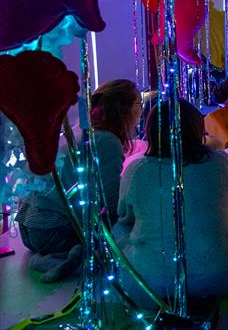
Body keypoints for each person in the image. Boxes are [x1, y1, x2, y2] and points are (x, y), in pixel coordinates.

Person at [114, 99, 228, 308]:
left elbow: (124, 215)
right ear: (197, 128)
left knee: (119, 228)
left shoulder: (137, 170)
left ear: (151, 131)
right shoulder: (221, 162)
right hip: (220, 277)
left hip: (150, 283)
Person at [16, 80, 141, 282]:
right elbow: (111, 202)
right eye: (138, 103)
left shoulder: (79, 134)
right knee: (120, 241)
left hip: (29, 229)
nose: (141, 109)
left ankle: (60, 257)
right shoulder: (106, 141)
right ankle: (62, 259)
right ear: (123, 109)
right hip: (51, 232)